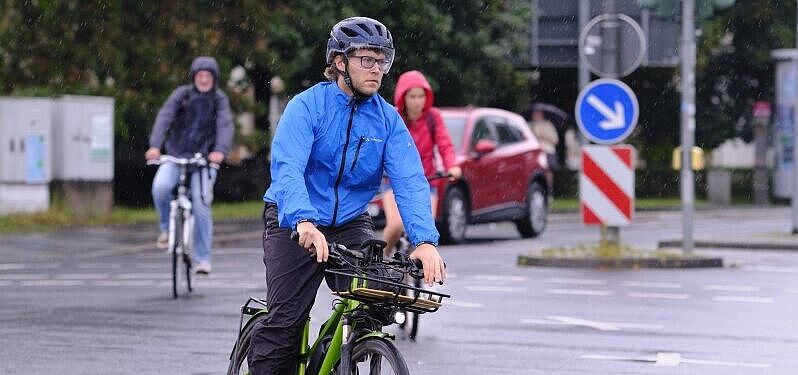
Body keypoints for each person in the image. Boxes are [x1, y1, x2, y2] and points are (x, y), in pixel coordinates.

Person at [249, 17, 447, 374]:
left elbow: (410, 179)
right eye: (366, 60)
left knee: (379, 298)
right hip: (293, 218)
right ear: (340, 62)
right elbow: (288, 167)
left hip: (349, 222)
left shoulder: (387, 119)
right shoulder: (307, 106)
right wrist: (303, 221)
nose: (377, 70)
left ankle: (341, 354)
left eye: (382, 61)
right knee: (285, 324)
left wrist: (424, 241)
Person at [145, 56, 234, 275]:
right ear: (194, 77)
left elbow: (225, 125)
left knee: (201, 204)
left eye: (208, 76)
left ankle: (203, 259)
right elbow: (164, 117)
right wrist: (155, 146)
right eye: (200, 75)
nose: (203, 79)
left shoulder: (219, 100)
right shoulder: (181, 95)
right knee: (161, 188)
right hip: (175, 155)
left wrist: (219, 152)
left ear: (214, 79)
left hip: (203, 160)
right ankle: (166, 231)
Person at [382, 70, 462, 255]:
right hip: (394, 182)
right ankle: (379, 263)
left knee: (425, 230)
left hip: (426, 182)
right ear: (403, 97)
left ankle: (413, 272)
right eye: (412, 96)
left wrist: (452, 166)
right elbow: (381, 147)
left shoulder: (433, 117)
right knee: (395, 224)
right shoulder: (394, 117)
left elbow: (445, 145)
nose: (417, 101)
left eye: (421, 96)